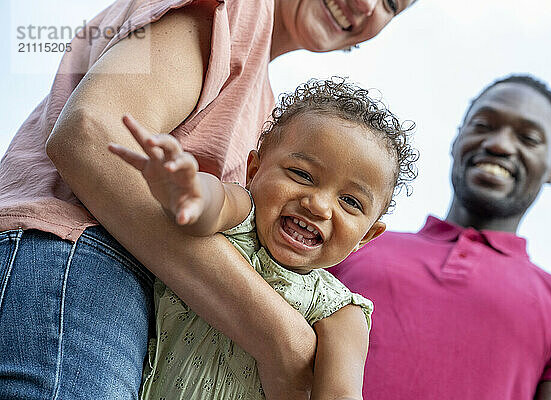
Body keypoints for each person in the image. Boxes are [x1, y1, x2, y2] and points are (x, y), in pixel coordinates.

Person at [0, 0, 418, 398]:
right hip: (82, 263)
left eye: (391, 4)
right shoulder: (239, 9)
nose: (366, 4)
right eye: (302, 176)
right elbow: (90, 135)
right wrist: (279, 336)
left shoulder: (267, 111)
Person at [108, 78, 416, 400]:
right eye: (302, 175)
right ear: (254, 170)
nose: (319, 205)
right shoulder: (242, 218)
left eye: (351, 202)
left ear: (365, 236)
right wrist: (187, 190)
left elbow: (341, 394)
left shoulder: (340, 312)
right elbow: (214, 204)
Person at [329, 74, 551, 400]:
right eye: (483, 125)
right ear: (457, 139)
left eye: (528, 138)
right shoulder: (350, 243)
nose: (499, 144)